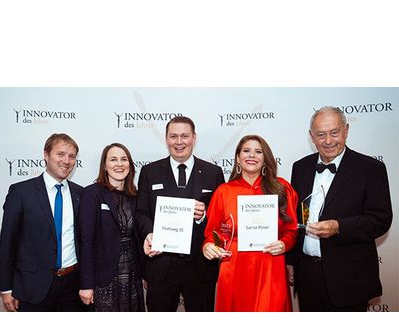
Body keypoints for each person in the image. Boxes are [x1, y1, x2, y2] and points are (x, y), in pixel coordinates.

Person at [287, 106, 393, 312]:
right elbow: (294, 217)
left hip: (349, 277)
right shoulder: (300, 167)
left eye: (334, 133)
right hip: (307, 276)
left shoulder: (370, 168)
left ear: (346, 130)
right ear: (311, 136)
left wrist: (338, 227)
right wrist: (290, 260)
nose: (328, 141)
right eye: (321, 134)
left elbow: (380, 220)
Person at [135, 116, 225, 311]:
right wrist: (150, 233)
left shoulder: (213, 172)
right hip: (161, 265)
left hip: (201, 266)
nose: (179, 142)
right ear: (166, 139)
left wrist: (203, 216)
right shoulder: (149, 172)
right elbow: (141, 212)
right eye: (173, 136)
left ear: (194, 138)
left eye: (184, 136)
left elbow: (222, 219)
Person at [203, 135, 298, 312]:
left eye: (258, 152)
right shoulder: (224, 192)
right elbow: (214, 233)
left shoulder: (282, 188)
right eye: (246, 151)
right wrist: (209, 245)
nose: (252, 155)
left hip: (271, 265)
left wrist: (284, 244)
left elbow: (291, 231)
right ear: (238, 159)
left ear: (265, 159)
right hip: (234, 268)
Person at [0, 133, 84, 311]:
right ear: (46, 155)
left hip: (73, 286)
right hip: (32, 286)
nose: (66, 161)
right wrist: (6, 287)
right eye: (60, 154)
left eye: (72, 156)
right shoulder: (21, 192)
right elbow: (7, 243)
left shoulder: (81, 194)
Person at [78, 143, 144, 311]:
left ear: (130, 165)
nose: (119, 164)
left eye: (124, 159)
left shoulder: (135, 195)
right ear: (105, 166)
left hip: (132, 271)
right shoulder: (92, 193)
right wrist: (86, 284)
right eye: (113, 159)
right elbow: (86, 241)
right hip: (104, 275)